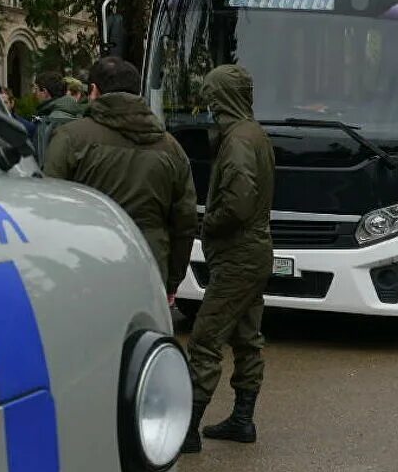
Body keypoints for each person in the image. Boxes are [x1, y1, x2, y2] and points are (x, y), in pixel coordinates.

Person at [41, 55, 196, 305]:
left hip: (85, 265)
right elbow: (184, 222)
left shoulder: (70, 138)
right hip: (150, 266)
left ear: (93, 91)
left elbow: (49, 210)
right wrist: (172, 280)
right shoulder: (172, 149)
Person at [183, 64, 275, 450]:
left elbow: (238, 203)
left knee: (205, 338)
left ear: (221, 97)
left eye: (211, 98)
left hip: (238, 254)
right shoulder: (254, 134)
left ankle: (185, 429)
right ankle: (242, 420)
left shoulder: (237, 140)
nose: (207, 107)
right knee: (246, 336)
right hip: (254, 252)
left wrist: (210, 225)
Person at [31, 71, 86, 154]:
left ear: (45, 92)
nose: (34, 93)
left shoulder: (49, 121)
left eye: (36, 89)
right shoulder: (79, 115)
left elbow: (42, 159)